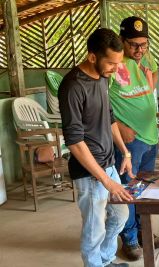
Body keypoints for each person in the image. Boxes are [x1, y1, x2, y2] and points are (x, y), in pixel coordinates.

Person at [58, 28, 132, 267]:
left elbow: (109, 118)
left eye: (117, 63)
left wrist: (125, 151)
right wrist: (106, 180)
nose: (115, 69)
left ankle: (106, 259)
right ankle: (95, 264)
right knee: (94, 229)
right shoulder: (72, 86)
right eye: (111, 63)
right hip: (89, 172)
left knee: (121, 215)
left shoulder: (102, 78)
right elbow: (75, 141)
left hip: (109, 163)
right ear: (92, 57)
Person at [108, 16, 159, 261]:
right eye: (133, 45)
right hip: (129, 141)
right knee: (129, 191)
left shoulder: (147, 58)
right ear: (121, 40)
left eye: (144, 44)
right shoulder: (112, 63)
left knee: (145, 190)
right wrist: (119, 125)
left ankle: (143, 232)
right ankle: (128, 238)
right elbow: (98, 103)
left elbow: (154, 78)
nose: (139, 50)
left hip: (151, 136)